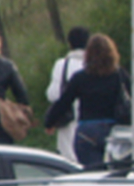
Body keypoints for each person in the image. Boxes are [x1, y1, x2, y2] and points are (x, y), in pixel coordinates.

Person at [45, 32, 128, 169]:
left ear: (88, 55)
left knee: (93, 174)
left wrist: (50, 122)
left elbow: (63, 102)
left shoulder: (80, 78)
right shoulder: (119, 75)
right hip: (114, 129)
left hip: (87, 131)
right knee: (117, 172)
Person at [45, 26, 89, 162]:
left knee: (68, 161)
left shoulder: (61, 65)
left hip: (67, 122)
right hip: (89, 121)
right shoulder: (95, 65)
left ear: (69, 44)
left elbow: (53, 94)